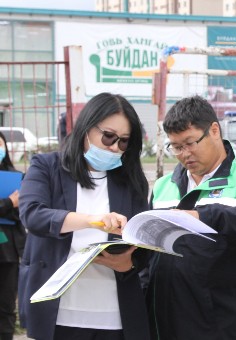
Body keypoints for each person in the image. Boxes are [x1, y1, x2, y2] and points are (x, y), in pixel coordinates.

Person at [18, 93, 151, 340]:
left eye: (123, 142)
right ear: (87, 127)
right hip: (58, 311)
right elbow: (33, 214)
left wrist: (128, 264)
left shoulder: (130, 181)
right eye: (108, 136)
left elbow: (142, 244)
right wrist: (91, 220)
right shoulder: (47, 166)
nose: (114, 147)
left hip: (114, 313)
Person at [147, 95, 236, 339]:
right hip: (163, 320)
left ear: (214, 130)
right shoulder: (162, 186)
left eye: (190, 143)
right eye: (176, 147)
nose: (184, 154)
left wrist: (201, 217)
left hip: (219, 322)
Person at [0, 132, 26, 340]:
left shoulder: (15, 177)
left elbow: (26, 212)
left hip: (8, 249)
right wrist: (8, 204)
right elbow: (12, 206)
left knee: (7, 303)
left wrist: (15, 206)